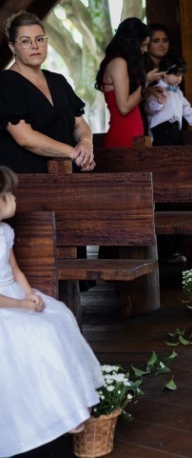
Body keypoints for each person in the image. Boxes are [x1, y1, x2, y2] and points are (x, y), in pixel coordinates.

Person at [0, 166, 103, 456]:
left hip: (16, 294)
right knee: (38, 335)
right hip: (5, 306)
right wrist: (21, 305)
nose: (15, 200)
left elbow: (15, 270)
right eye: (9, 195)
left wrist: (30, 294)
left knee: (59, 318)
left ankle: (71, 405)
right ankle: (54, 413)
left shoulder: (5, 232)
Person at [0, 11, 95, 173]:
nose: (34, 46)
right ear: (12, 47)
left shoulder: (58, 81)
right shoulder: (6, 83)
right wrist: (74, 154)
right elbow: (25, 138)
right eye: (25, 41)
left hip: (67, 174)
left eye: (39, 39)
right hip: (26, 177)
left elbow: (79, 123)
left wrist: (86, 143)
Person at [95, 18, 163, 148]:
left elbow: (130, 98)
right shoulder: (119, 63)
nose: (145, 50)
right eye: (142, 45)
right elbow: (124, 107)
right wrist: (146, 82)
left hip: (133, 137)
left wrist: (148, 92)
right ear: (130, 43)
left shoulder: (124, 63)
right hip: (123, 137)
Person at [145, 54, 192, 146]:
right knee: (164, 151)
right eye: (177, 75)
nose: (180, 79)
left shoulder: (178, 93)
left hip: (176, 128)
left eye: (181, 76)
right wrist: (158, 102)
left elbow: (187, 109)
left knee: (177, 151)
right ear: (165, 73)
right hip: (160, 128)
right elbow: (148, 109)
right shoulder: (155, 90)